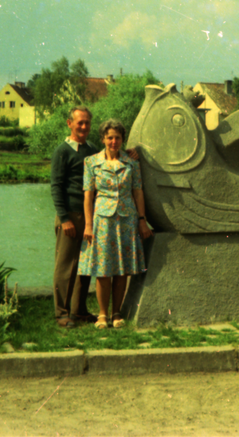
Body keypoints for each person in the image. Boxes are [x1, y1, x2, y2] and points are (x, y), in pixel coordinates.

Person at [80, 118, 153, 329]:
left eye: (118, 138)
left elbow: (138, 192)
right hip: (102, 220)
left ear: (123, 139)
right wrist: (87, 224)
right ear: (103, 138)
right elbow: (88, 196)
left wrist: (142, 220)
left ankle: (117, 313)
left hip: (127, 219)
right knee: (103, 268)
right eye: (110, 137)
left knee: (122, 268)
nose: (114, 141)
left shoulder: (132, 163)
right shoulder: (91, 162)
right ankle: (102, 314)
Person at [50, 106, 97, 328]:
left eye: (87, 122)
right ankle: (62, 313)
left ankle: (79, 310)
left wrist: (133, 152)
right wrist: (64, 218)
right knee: (65, 265)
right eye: (80, 122)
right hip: (69, 217)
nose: (84, 127)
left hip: (89, 217)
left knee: (85, 265)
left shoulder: (93, 150)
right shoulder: (62, 151)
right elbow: (56, 186)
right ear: (70, 123)